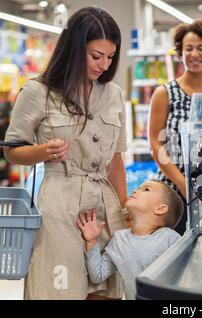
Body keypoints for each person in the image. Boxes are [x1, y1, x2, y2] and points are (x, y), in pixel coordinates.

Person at [4, 7, 128, 299]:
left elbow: (116, 159)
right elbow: (13, 151)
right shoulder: (37, 92)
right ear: (74, 49)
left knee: (107, 291)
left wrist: (124, 212)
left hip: (105, 209)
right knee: (60, 290)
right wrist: (43, 151)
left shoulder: (114, 95)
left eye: (110, 57)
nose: (104, 65)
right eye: (96, 56)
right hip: (59, 208)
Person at [149, 19, 202, 235]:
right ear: (180, 53)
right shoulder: (165, 93)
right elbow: (154, 141)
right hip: (171, 191)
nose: (194, 54)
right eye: (188, 48)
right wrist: (182, 183)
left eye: (201, 48)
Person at [77, 180, 184, 300]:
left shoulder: (170, 239)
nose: (134, 190)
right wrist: (91, 242)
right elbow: (98, 275)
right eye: (138, 187)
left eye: (146, 189)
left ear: (160, 209)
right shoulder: (119, 239)